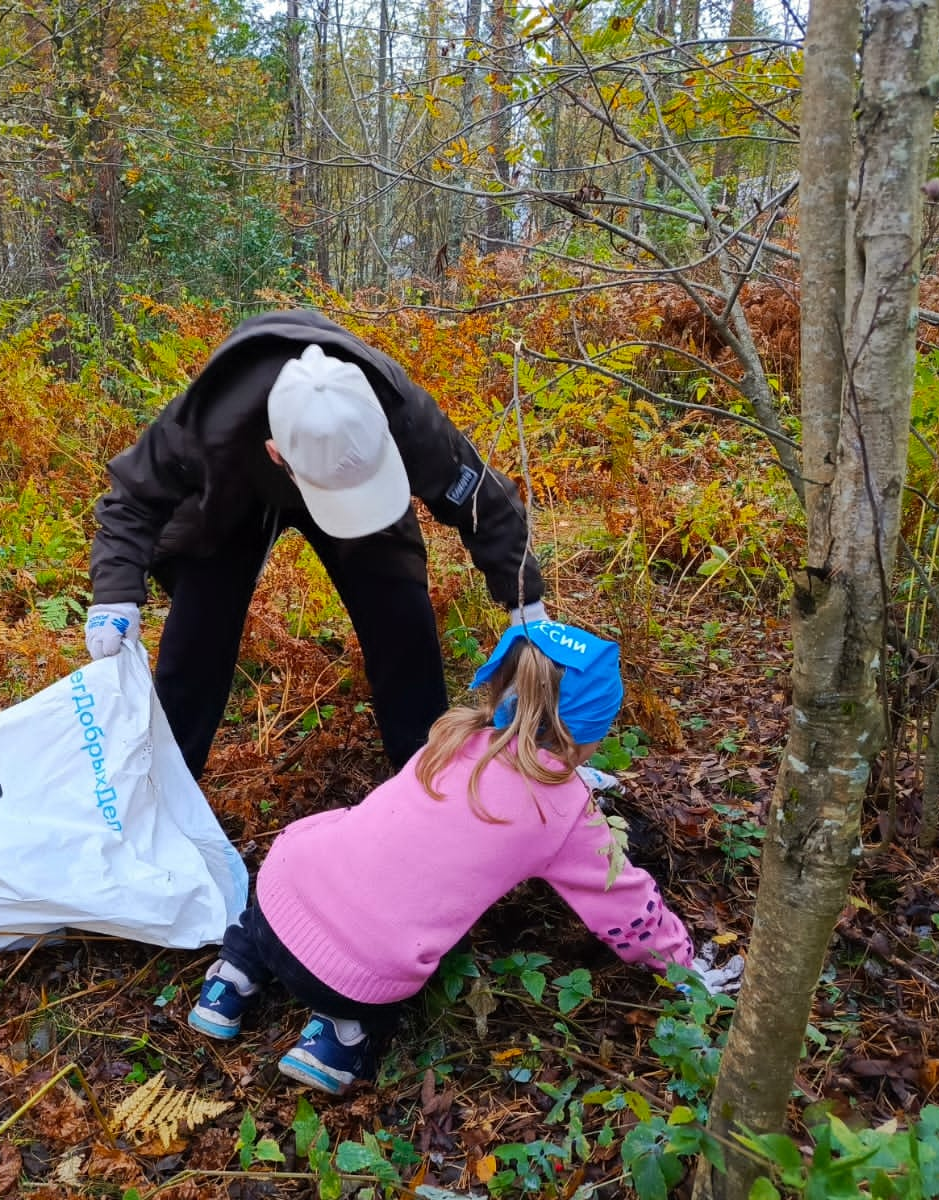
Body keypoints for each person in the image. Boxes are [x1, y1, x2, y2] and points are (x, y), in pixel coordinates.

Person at [184, 621, 743, 1094]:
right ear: (589, 732)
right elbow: (623, 904)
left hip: (278, 896)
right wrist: (683, 968)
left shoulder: (450, 737)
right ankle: (339, 1039)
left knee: (333, 840)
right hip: (357, 972)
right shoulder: (568, 815)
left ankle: (231, 979)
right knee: (374, 970)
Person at [84, 310, 546, 778]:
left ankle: (425, 773)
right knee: (197, 630)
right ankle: (165, 785)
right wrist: (116, 594)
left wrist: (525, 604)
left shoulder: (400, 412)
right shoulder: (204, 425)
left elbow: (480, 500)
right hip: (235, 496)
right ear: (276, 453)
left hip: (363, 488)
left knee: (400, 613)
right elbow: (132, 500)